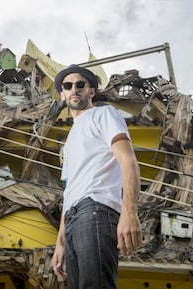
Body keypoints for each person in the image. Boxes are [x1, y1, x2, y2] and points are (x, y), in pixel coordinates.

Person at [51, 65, 143, 289]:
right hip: (73, 219)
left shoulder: (104, 114)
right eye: (68, 86)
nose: (74, 89)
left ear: (91, 91)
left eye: (80, 84)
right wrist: (59, 243)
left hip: (95, 210)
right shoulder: (70, 139)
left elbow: (128, 161)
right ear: (62, 94)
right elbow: (70, 190)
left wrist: (129, 211)